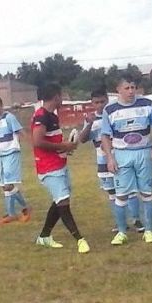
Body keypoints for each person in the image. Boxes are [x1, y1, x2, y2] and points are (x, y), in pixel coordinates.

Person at [100, 74, 152, 245]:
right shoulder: (109, 110)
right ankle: (122, 232)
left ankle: (149, 230)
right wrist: (110, 157)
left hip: (144, 153)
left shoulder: (147, 104)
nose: (130, 91)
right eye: (127, 88)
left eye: (133, 87)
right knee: (121, 195)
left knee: (147, 193)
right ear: (118, 90)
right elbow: (105, 136)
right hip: (122, 155)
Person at [31, 83, 90, 253]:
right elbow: (37, 141)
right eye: (61, 95)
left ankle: (44, 236)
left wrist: (65, 148)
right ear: (56, 96)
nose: (63, 98)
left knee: (60, 200)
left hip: (59, 164)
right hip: (48, 168)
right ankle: (80, 239)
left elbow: (52, 141)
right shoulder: (41, 116)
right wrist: (64, 145)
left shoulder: (53, 116)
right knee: (63, 201)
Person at [78, 89, 145, 234]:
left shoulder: (115, 113)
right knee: (113, 194)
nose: (100, 105)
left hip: (121, 159)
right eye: (97, 102)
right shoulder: (91, 119)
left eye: (103, 101)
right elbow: (82, 139)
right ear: (92, 103)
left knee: (130, 191)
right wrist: (89, 124)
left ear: (107, 100)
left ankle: (136, 219)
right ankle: (120, 221)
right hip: (103, 162)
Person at [0, 96, 31, 224]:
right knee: (5, 187)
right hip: (0, 156)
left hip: (11, 153)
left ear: (1, 106)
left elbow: (21, 132)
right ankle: (22, 209)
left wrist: (33, 146)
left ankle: (14, 213)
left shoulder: (9, 117)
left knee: (8, 185)